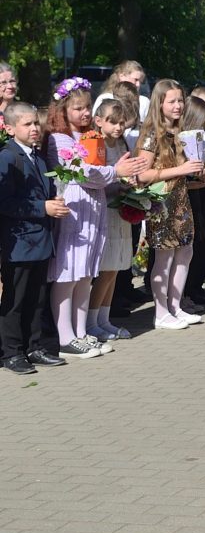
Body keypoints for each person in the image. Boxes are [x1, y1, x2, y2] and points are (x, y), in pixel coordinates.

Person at [45, 77, 146, 357]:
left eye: (87, 107)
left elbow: (99, 177)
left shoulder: (92, 137)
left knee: (86, 274)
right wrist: (116, 172)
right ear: (63, 110)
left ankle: (81, 332)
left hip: (94, 210)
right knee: (68, 275)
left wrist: (119, 181)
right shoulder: (59, 139)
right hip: (73, 212)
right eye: (78, 108)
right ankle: (65, 338)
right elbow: (83, 173)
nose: (85, 113)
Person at [0, 102, 71, 374]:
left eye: (35, 123)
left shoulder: (38, 157)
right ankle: (12, 352)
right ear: (9, 129)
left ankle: (34, 346)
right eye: (27, 124)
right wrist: (43, 207)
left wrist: (55, 201)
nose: (34, 128)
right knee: (15, 300)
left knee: (37, 297)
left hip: (40, 240)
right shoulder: (8, 158)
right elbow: (5, 202)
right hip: (20, 243)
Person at [135, 79, 205, 330]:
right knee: (164, 258)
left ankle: (176, 306)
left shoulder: (181, 132)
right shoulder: (151, 135)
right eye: (172, 101)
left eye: (180, 101)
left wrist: (199, 171)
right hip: (161, 204)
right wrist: (181, 169)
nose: (178, 106)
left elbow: (186, 169)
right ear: (159, 104)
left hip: (181, 200)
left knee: (185, 252)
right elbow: (142, 175)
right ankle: (161, 312)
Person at [87, 99, 142, 340]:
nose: (118, 127)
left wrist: (132, 185)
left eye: (122, 123)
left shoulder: (121, 143)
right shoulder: (95, 144)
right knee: (105, 269)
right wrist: (117, 183)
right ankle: (91, 322)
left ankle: (104, 319)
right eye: (113, 122)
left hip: (120, 211)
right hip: (104, 211)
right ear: (99, 121)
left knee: (115, 269)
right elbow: (94, 179)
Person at [180, 93, 205, 307]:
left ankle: (197, 287)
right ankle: (186, 290)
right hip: (189, 195)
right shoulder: (181, 137)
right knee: (192, 243)